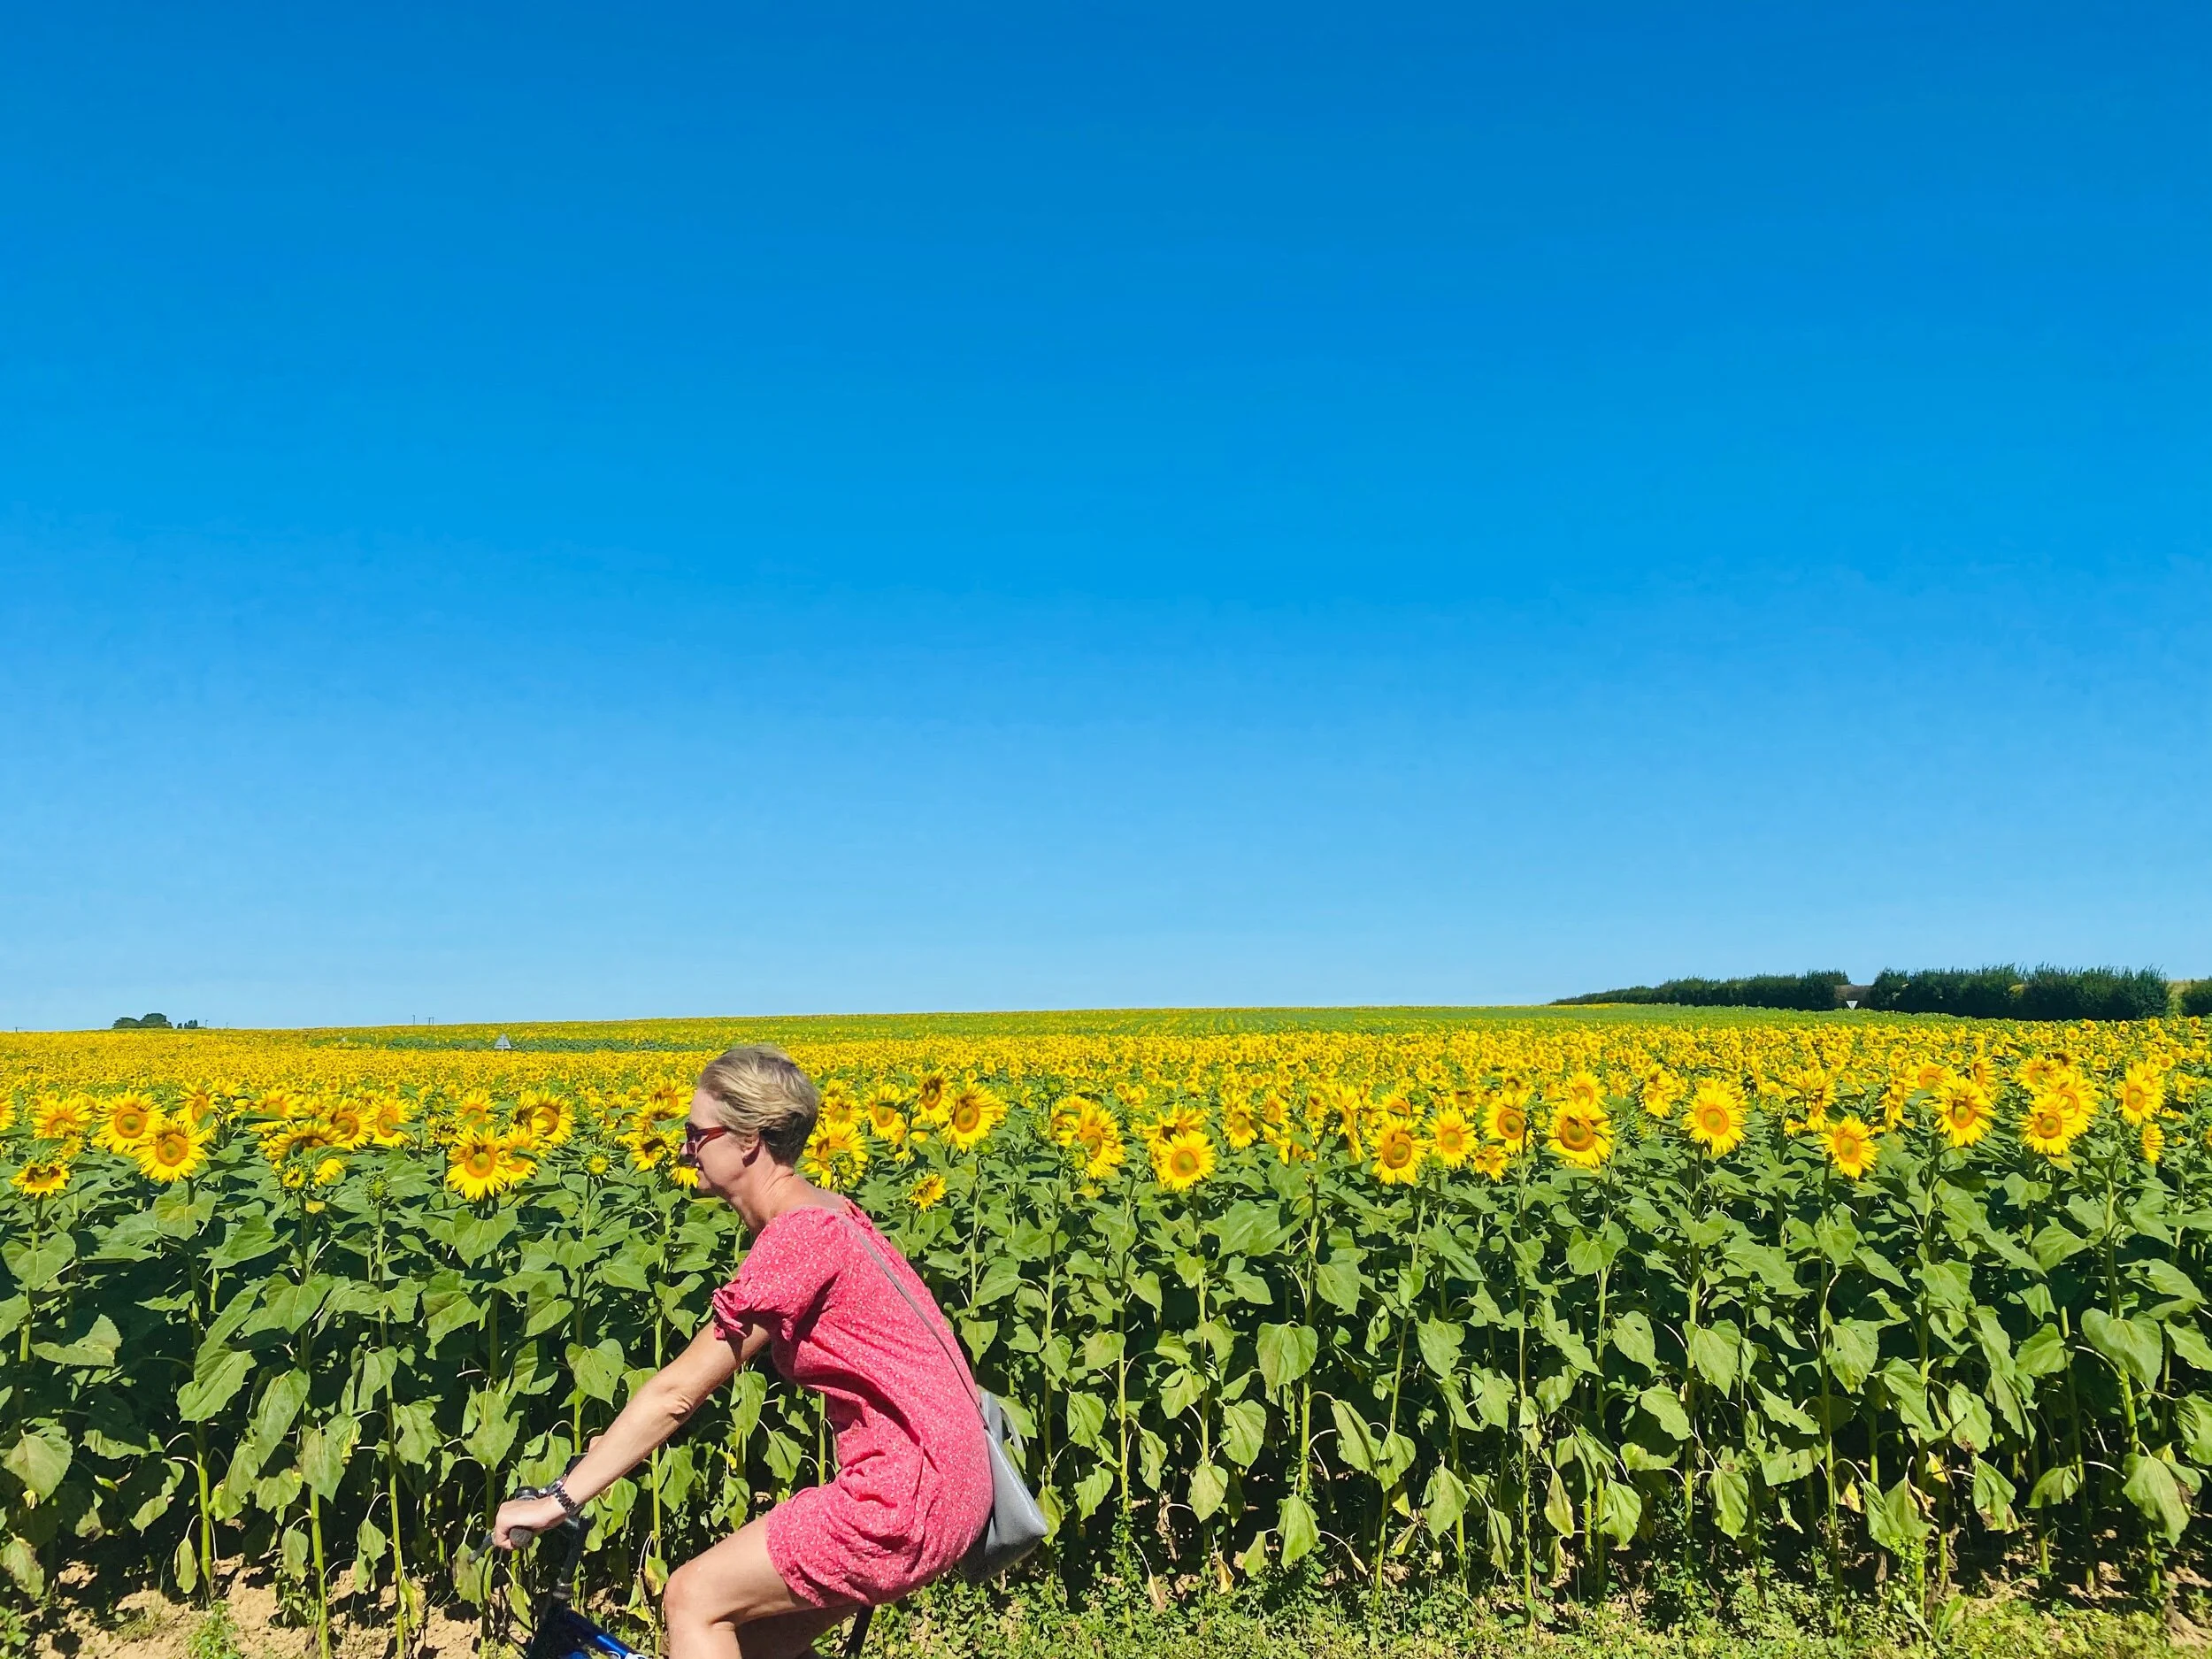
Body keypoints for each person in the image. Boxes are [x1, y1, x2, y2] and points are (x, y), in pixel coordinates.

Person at [493, 1045, 995, 1659]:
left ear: (750, 1141)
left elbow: (679, 1392)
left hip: (905, 1494)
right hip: (952, 1479)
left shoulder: (800, 1237)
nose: (684, 1148)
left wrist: (562, 1498)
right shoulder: (831, 1214)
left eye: (695, 1132)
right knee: (753, 1644)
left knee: (692, 1598)